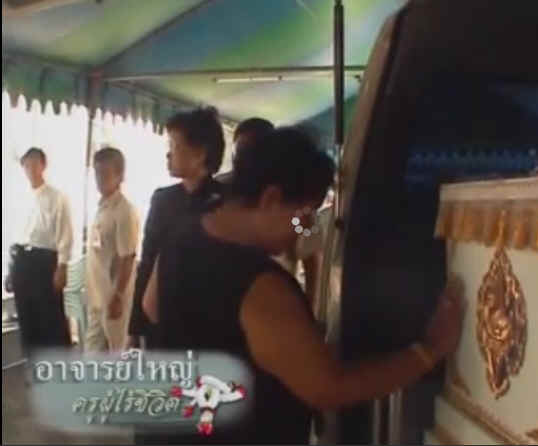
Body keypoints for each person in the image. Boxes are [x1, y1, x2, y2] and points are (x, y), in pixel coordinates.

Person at [142, 128, 464, 444]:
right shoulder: (261, 287)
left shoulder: (181, 235)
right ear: (271, 199)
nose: (304, 229)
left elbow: (151, 307)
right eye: (304, 216)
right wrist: (428, 352)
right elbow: (328, 388)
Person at [126, 107, 225, 350]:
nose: (168, 154)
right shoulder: (163, 200)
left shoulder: (226, 202)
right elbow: (147, 262)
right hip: (161, 320)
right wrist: (134, 329)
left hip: (207, 327)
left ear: (200, 153)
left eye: (174, 146)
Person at [218, 117, 323, 304]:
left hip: (274, 299)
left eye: (253, 151)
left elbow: (310, 257)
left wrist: (310, 305)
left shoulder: (295, 208)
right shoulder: (217, 190)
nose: (245, 159)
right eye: (240, 150)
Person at [11, 147, 73, 355]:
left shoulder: (57, 197)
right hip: (22, 260)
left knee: (50, 318)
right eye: (26, 165)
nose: (30, 169)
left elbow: (65, 234)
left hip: (45, 261)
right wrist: (11, 269)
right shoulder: (20, 197)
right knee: (27, 317)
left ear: (43, 165)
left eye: (34, 164)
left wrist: (62, 266)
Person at [85, 148, 140, 352]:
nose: (99, 179)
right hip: (97, 295)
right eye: (97, 173)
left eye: (105, 174)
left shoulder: (124, 211)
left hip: (114, 298)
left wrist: (118, 296)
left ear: (120, 175)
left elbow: (128, 258)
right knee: (92, 353)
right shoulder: (101, 207)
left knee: (117, 352)